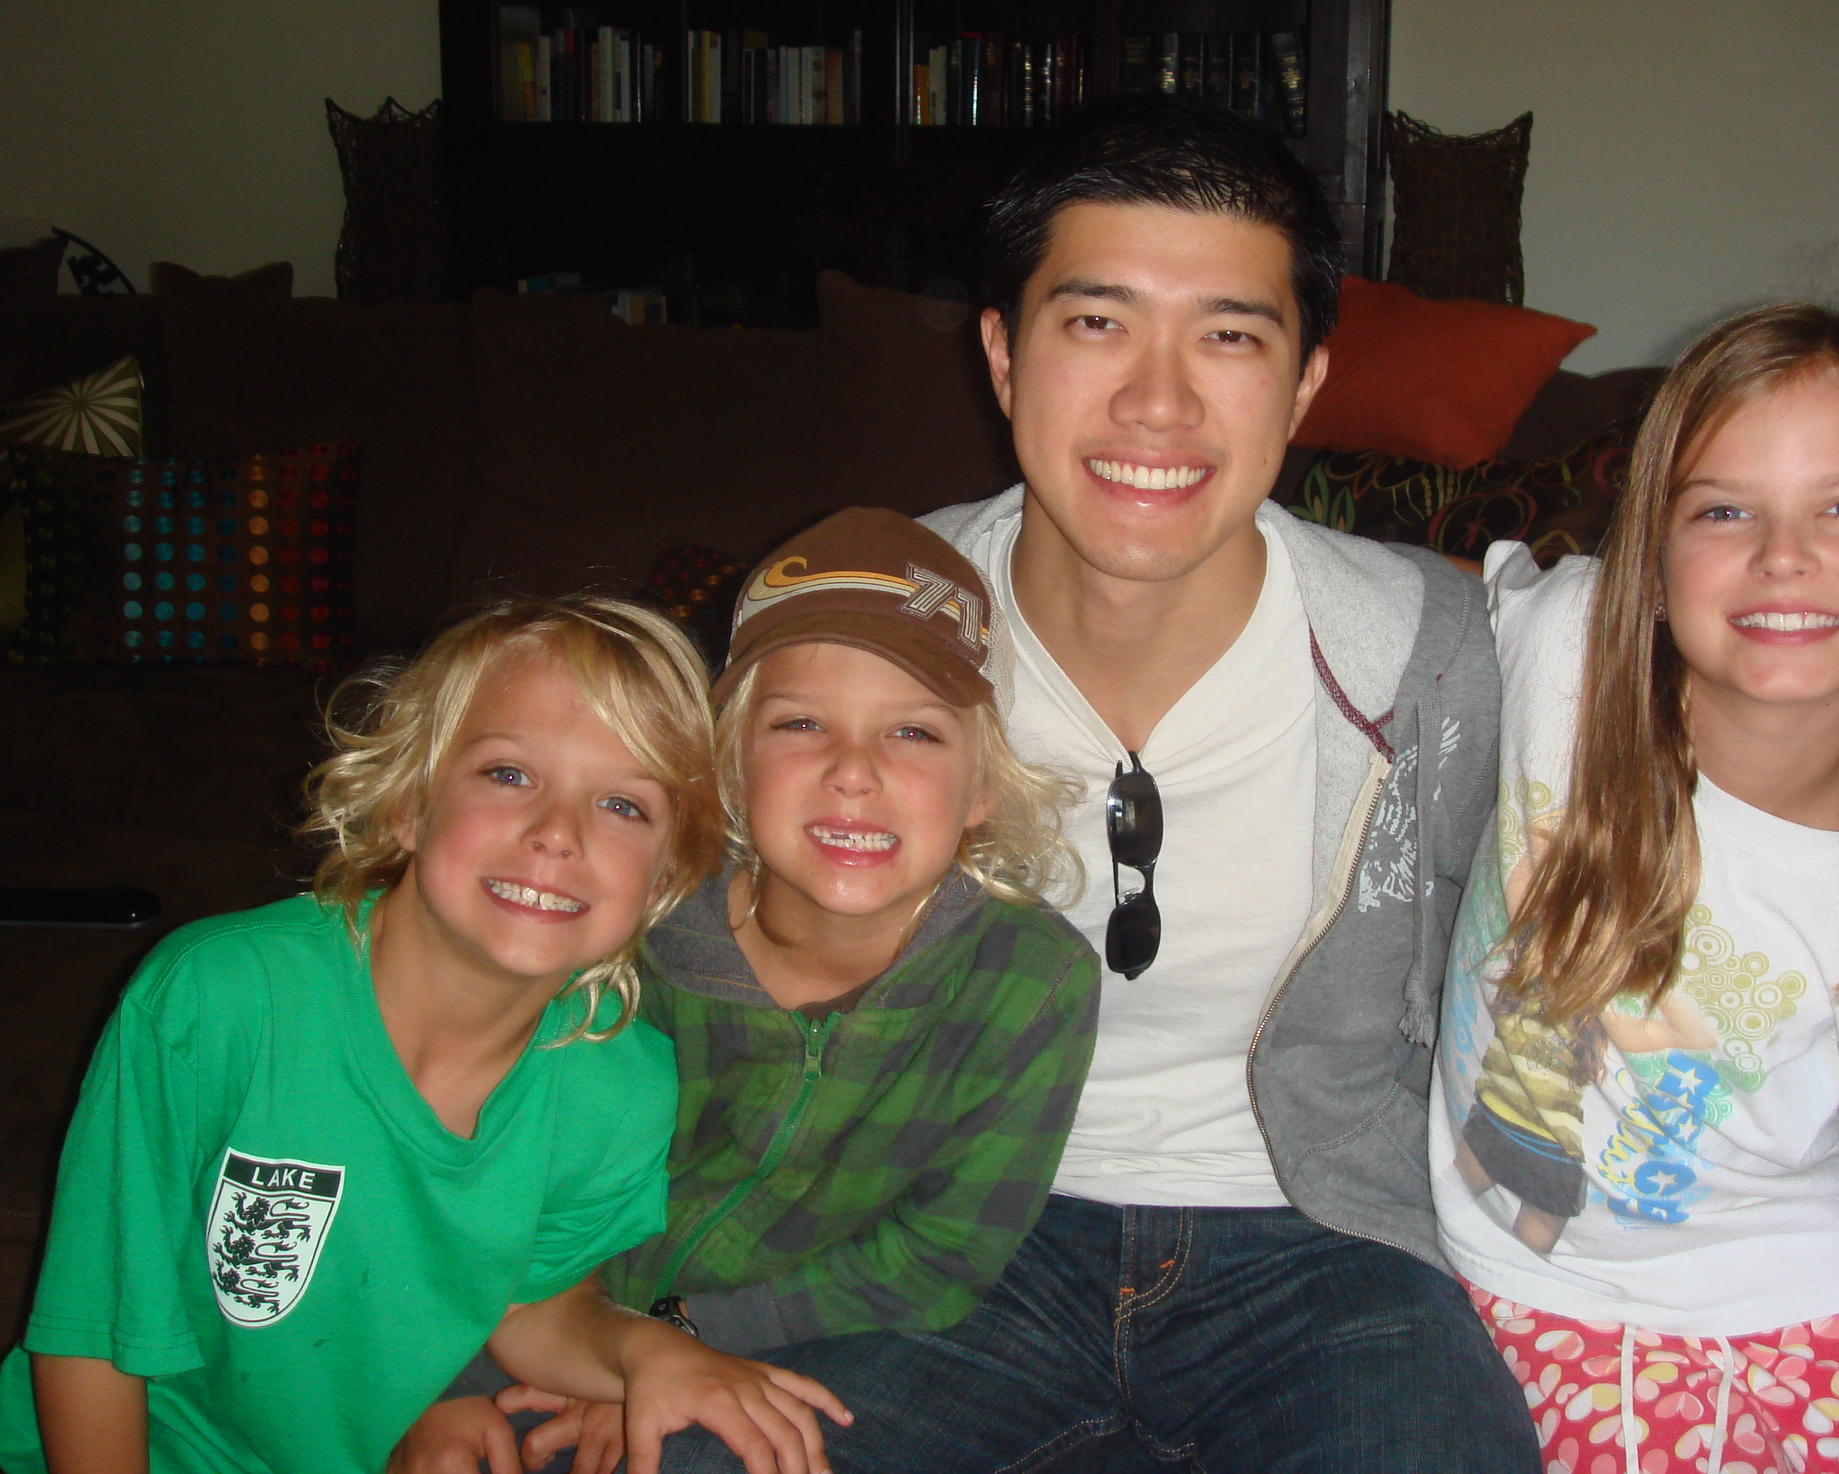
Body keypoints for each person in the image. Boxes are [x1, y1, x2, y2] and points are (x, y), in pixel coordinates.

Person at [650, 94, 1539, 1473]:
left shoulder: (1443, 656)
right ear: (1002, 355)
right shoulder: (851, 629)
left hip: (1327, 1249)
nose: (1157, 402)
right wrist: (611, 1317)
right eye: (1096, 322)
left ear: (1307, 382)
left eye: (1228, 336)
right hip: (924, 1224)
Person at [0, 596, 848, 1474]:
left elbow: (532, 1306)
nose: (557, 835)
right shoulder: (219, 1000)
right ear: (409, 802)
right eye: (509, 774)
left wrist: (645, 1353)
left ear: (665, 878)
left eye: (622, 805)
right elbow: (92, 1334)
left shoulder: (620, 1083)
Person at [1432, 303, 1839, 1472]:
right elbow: (1442, 588)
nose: (1782, 555)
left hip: (1776, 1309)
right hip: (1508, 1281)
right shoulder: (1567, 641)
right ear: (1650, 563)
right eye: (1723, 510)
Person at [431, 509, 1101, 1472]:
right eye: (801, 724)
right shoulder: (632, 929)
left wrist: (676, 1343)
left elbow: (940, 1257)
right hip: (526, 1323)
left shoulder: (1031, 982)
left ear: (983, 786)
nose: (854, 773)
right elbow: (488, 1168)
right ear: (732, 766)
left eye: (914, 732)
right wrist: (448, 1384)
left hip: (800, 1338)